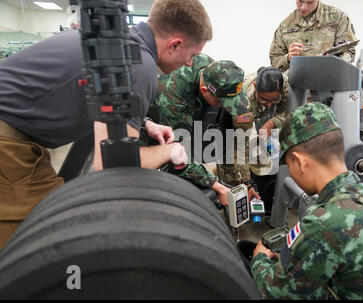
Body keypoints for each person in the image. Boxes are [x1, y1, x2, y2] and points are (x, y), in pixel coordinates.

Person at [0, 0, 213, 249]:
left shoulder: (121, 46)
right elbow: (112, 163)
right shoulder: (139, 65)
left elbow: (103, 99)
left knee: (58, 209)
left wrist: (145, 123)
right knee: (43, 238)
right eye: (193, 55)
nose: (190, 64)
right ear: (175, 45)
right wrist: (170, 151)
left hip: (21, 132)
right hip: (10, 144)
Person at [250, 102, 363, 299]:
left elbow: (276, 293)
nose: (289, 172)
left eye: (288, 164)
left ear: (300, 162)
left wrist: (260, 259)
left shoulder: (322, 225)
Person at [142, 53, 252, 207]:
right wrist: (217, 186)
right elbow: (178, 156)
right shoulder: (175, 103)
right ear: (205, 90)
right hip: (146, 124)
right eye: (222, 103)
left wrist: (245, 179)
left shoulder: (209, 67)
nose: (224, 108)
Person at [220, 67, 288, 201]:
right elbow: (241, 145)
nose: (268, 105)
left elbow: (289, 112)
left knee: (263, 159)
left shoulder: (286, 87)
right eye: (264, 99)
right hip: (232, 123)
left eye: (274, 100)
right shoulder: (243, 102)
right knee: (232, 167)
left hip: (259, 122)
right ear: (256, 87)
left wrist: (272, 122)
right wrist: (247, 182)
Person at [270, 0, 358, 72]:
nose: (304, 6)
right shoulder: (285, 25)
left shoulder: (338, 17)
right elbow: (274, 61)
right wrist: (288, 58)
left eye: (310, 2)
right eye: (300, 1)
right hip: (299, 87)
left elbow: (350, 52)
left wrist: (332, 61)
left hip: (331, 85)